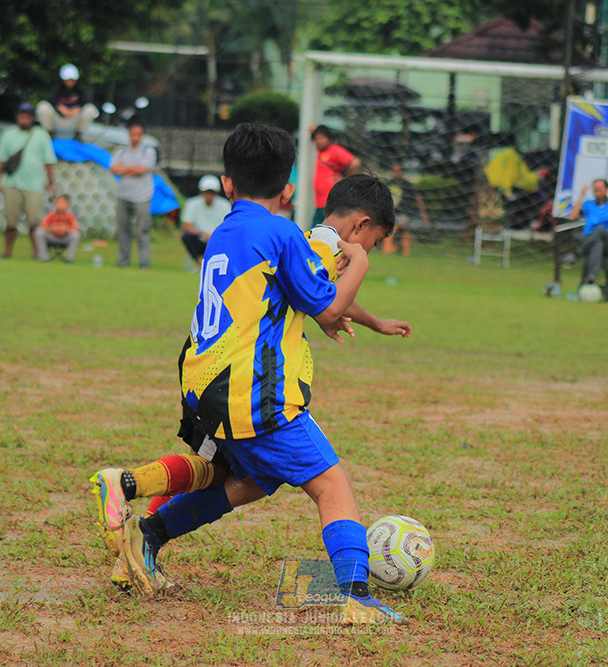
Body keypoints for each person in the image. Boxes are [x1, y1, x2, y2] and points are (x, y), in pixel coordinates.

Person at [89, 124, 410, 625]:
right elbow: (327, 308)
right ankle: (354, 594)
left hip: (204, 380)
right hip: (253, 391)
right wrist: (362, 264)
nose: (367, 246)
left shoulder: (228, 230)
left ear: (228, 185)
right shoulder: (289, 235)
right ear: (289, 191)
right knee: (331, 485)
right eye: (373, 238)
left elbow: (308, 292)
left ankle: (140, 515)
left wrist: (372, 321)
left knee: (249, 479)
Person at [0, 102, 57, 259]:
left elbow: (48, 161)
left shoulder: (41, 135)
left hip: (34, 185)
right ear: (17, 118)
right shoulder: (8, 134)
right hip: (12, 183)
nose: (24, 120)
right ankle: (7, 250)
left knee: (34, 221)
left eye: (27, 117)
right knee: (10, 219)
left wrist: (51, 181)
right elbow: (0, 160)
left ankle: (37, 252)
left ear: (33, 119)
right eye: (21, 117)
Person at [569, 178, 608, 302]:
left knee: (600, 231)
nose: (597, 191)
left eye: (600, 188)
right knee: (598, 244)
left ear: (606, 190)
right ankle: (601, 287)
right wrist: (582, 194)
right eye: (595, 189)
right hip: (592, 243)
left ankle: (576, 254)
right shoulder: (589, 205)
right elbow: (573, 216)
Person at [110, 119, 156, 269]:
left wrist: (125, 170)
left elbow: (142, 170)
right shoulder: (121, 151)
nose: (135, 137)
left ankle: (144, 263)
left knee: (142, 231)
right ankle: (123, 262)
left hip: (142, 196)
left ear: (142, 136)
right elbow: (114, 169)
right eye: (133, 134)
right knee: (123, 231)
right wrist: (131, 169)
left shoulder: (148, 151)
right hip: (123, 194)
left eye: (138, 135)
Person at [311, 125, 360, 226]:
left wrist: (345, 179)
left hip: (329, 200)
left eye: (322, 138)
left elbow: (354, 162)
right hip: (320, 202)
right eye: (317, 139)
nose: (319, 141)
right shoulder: (320, 151)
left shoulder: (334, 150)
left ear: (329, 138)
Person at [36, 64, 99, 140]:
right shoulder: (57, 88)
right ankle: (49, 134)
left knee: (90, 109)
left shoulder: (79, 90)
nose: (70, 82)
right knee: (43, 106)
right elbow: (50, 102)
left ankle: (78, 135)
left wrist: (75, 110)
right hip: (58, 120)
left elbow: (86, 103)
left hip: (73, 120)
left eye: (72, 80)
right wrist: (61, 108)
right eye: (68, 80)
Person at [180, 174, 231, 266]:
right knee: (187, 237)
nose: (209, 195)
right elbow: (187, 226)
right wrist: (203, 234)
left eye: (211, 192)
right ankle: (199, 264)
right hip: (199, 239)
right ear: (201, 192)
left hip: (218, 239)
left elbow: (229, 225)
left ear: (217, 193)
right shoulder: (192, 203)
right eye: (207, 192)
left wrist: (214, 235)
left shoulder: (225, 205)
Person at [384, 162, 430, 256]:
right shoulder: (389, 184)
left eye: (398, 171)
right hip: (390, 213)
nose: (396, 173)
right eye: (394, 171)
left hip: (403, 213)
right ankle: (389, 247)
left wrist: (423, 213)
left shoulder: (408, 185)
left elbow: (418, 198)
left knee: (401, 224)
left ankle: (400, 246)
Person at [35, 194, 81, 263]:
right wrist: (52, 229)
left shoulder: (70, 216)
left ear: (67, 205)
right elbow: (42, 226)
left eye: (63, 203)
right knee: (39, 232)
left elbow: (75, 228)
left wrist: (65, 229)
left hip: (65, 238)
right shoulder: (51, 215)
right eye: (58, 202)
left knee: (75, 235)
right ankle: (44, 257)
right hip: (53, 237)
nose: (60, 205)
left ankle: (70, 259)